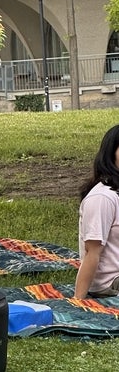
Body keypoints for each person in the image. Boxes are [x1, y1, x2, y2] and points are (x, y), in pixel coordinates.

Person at [74, 124, 119, 299]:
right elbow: (91, 253)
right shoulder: (102, 198)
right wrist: (78, 302)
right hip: (110, 282)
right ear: (111, 153)